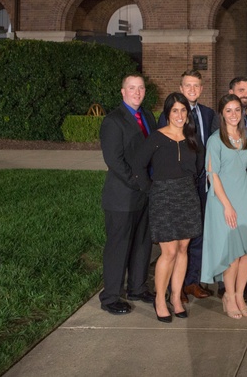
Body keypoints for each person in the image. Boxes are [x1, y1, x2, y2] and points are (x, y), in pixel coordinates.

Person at [131, 92, 204, 322]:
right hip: (163, 196)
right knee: (169, 251)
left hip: (187, 195)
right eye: (175, 111)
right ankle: (160, 299)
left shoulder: (193, 139)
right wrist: (150, 189)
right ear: (168, 113)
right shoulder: (156, 138)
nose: (180, 115)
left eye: (183, 111)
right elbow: (138, 165)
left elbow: (199, 167)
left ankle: (175, 297)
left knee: (183, 249)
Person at [201, 94, 247, 319]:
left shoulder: (246, 136)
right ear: (221, 114)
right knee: (232, 252)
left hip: (243, 197)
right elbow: (213, 175)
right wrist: (227, 206)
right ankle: (228, 295)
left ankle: (239, 294)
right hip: (222, 200)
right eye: (228, 110)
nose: (233, 114)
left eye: (237, 109)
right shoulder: (215, 140)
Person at [97, 74, 156, 314]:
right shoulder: (113, 121)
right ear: (123, 92)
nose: (137, 92)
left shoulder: (148, 117)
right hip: (123, 195)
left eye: (140, 88)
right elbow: (114, 160)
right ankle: (110, 296)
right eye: (132, 88)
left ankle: (137, 287)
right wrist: (138, 182)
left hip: (145, 194)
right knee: (118, 246)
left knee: (143, 243)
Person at [159, 70, 216, 302]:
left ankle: (193, 281)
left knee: (198, 231)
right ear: (181, 88)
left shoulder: (208, 114)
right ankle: (177, 286)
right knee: (179, 234)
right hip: (179, 183)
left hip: (203, 181)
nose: (192, 90)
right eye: (188, 86)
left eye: (196, 86)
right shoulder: (170, 115)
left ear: (201, 89)